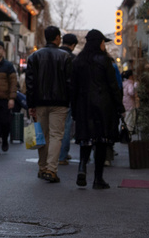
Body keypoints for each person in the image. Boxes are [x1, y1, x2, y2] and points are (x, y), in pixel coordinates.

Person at [70, 29, 124, 189]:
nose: (104, 46)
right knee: (101, 141)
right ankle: (98, 179)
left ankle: (82, 167)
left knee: (85, 139)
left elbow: (73, 87)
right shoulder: (104, 60)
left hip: (83, 106)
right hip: (103, 106)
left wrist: (74, 108)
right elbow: (113, 85)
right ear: (98, 43)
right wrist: (119, 106)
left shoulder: (79, 61)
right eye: (103, 43)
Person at [24, 26, 73, 183]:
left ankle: (42, 167)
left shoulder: (34, 57)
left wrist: (30, 105)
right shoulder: (66, 57)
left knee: (41, 135)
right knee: (56, 135)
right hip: (60, 103)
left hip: (39, 102)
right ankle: (51, 169)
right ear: (58, 38)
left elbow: (30, 83)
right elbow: (70, 82)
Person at [57, 32, 78, 166]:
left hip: (51, 97)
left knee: (53, 127)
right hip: (67, 97)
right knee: (65, 127)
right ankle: (62, 155)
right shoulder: (73, 58)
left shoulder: (53, 54)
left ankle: (52, 154)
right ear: (73, 45)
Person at [122, 69, 138, 136]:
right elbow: (131, 92)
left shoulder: (123, 83)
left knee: (126, 120)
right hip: (130, 105)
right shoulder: (130, 83)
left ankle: (125, 134)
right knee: (130, 121)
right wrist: (136, 85)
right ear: (131, 76)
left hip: (125, 105)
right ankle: (128, 135)